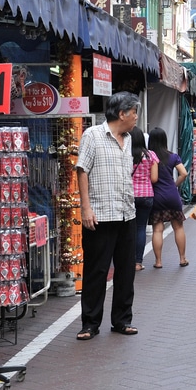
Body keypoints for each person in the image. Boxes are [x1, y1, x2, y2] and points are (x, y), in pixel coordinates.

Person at [75, 92, 142, 340]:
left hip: (126, 214)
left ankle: (122, 321)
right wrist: (85, 207)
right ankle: (90, 324)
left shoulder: (129, 138)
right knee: (96, 271)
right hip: (100, 215)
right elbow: (82, 170)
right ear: (122, 113)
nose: (136, 117)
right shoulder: (93, 135)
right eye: (134, 112)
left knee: (126, 271)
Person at [148, 127, 189, 268]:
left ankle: (158, 261)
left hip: (157, 196)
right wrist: (175, 185)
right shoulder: (172, 156)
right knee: (178, 228)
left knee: (157, 230)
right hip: (172, 195)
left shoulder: (150, 157)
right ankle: (182, 258)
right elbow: (184, 173)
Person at [129, 127, 158, 271]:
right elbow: (154, 178)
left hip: (129, 196)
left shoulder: (126, 154)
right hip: (146, 195)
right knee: (141, 228)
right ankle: (138, 263)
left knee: (128, 229)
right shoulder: (151, 155)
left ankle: (126, 261)